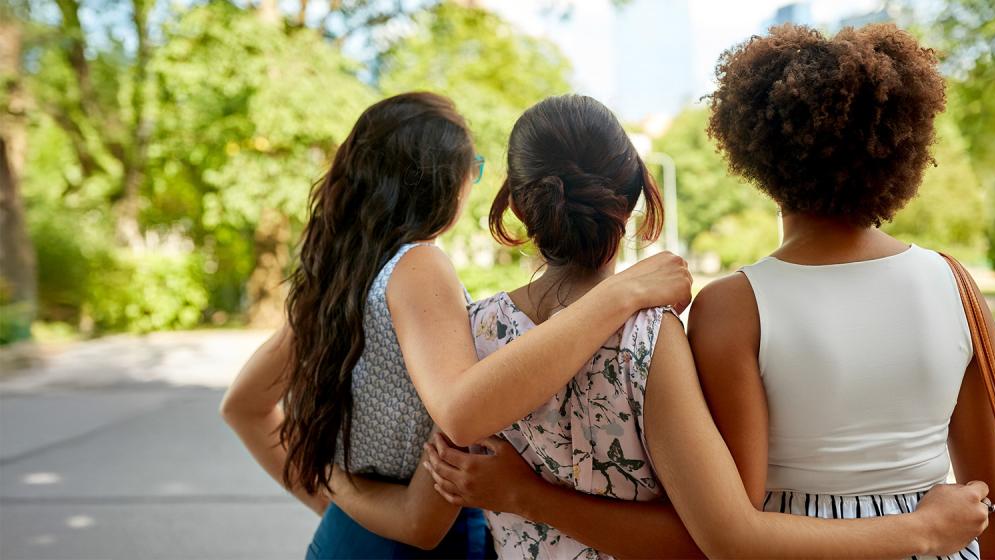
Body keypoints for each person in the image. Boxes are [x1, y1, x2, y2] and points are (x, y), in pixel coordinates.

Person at [418, 94, 994, 559]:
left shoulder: (474, 332)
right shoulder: (649, 340)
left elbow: (426, 507)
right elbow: (710, 539)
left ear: (517, 205)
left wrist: (518, 497)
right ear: (636, 197)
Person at [219, 92, 693, 559]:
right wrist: (620, 293)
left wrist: (335, 489)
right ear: (449, 182)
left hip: (348, 537)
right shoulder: (420, 266)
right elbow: (425, 507)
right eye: (476, 167)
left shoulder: (336, 279)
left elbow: (243, 405)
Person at [682, 23, 995, 559]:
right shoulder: (957, 286)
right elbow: (993, 504)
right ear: (898, 147)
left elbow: (739, 519)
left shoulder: (732, 307)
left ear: (758, 154)